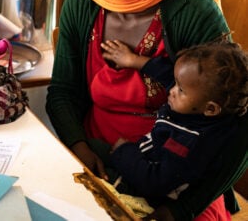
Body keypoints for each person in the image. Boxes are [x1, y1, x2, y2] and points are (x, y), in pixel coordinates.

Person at [46, 0, 248, 220]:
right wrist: (78, 147)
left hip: (179, 171)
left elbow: (237, 128)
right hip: (101, 155)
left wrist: (180, 209)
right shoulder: (83, 3)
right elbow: (64, 92)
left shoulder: (193, 12)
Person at [103, 42, 248, 209]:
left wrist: (123, 151)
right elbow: (170, 75)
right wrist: (133, 60)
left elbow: (153, 182)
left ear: (210, 108)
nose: (172, 90)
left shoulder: (187, 142)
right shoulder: (200, 102)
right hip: (138, 161)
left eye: (180, 90)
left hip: (141, 189)